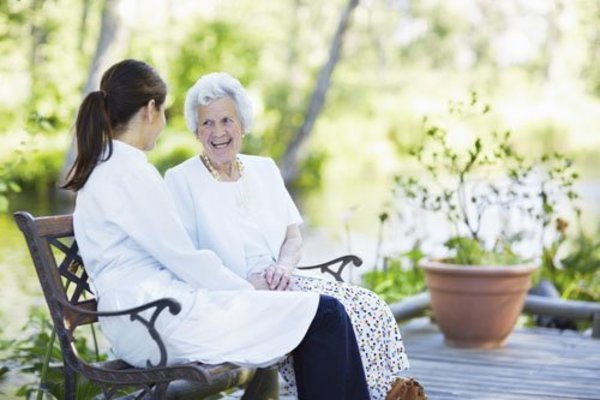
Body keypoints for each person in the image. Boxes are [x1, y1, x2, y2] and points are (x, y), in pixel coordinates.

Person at [62, 59, 370, 400]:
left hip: (150, 313)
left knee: (321, 314)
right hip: (155, 322)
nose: (164, 123)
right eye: (165, 111)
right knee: (325, 314)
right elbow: (184, 259)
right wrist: (246, 292)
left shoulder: (110, 166)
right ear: (150, 110)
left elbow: (177, 259)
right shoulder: (129, 173)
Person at [164, 72, 420, 400]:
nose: (217, 132)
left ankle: (381, 391)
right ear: (196, 131)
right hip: (233, 297)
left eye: (226, 120)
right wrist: (244, 284)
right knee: (329, 313)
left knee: (365, 305)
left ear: (242, 123)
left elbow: (293, 238)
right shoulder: (181, 179)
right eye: (207, 124)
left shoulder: (264, 169)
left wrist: (283, 269)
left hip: (281, 282)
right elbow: (186, 260)